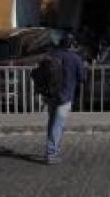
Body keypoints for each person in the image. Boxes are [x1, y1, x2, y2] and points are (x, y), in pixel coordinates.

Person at [42, 34, 86, 165]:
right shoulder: (75, 58)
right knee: (58, 124)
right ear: (72, 45)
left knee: (52, 122)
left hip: (50, 95)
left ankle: (51, 149)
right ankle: (52, 153)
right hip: (65, 96)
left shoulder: (51, 55)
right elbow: (82, 78)